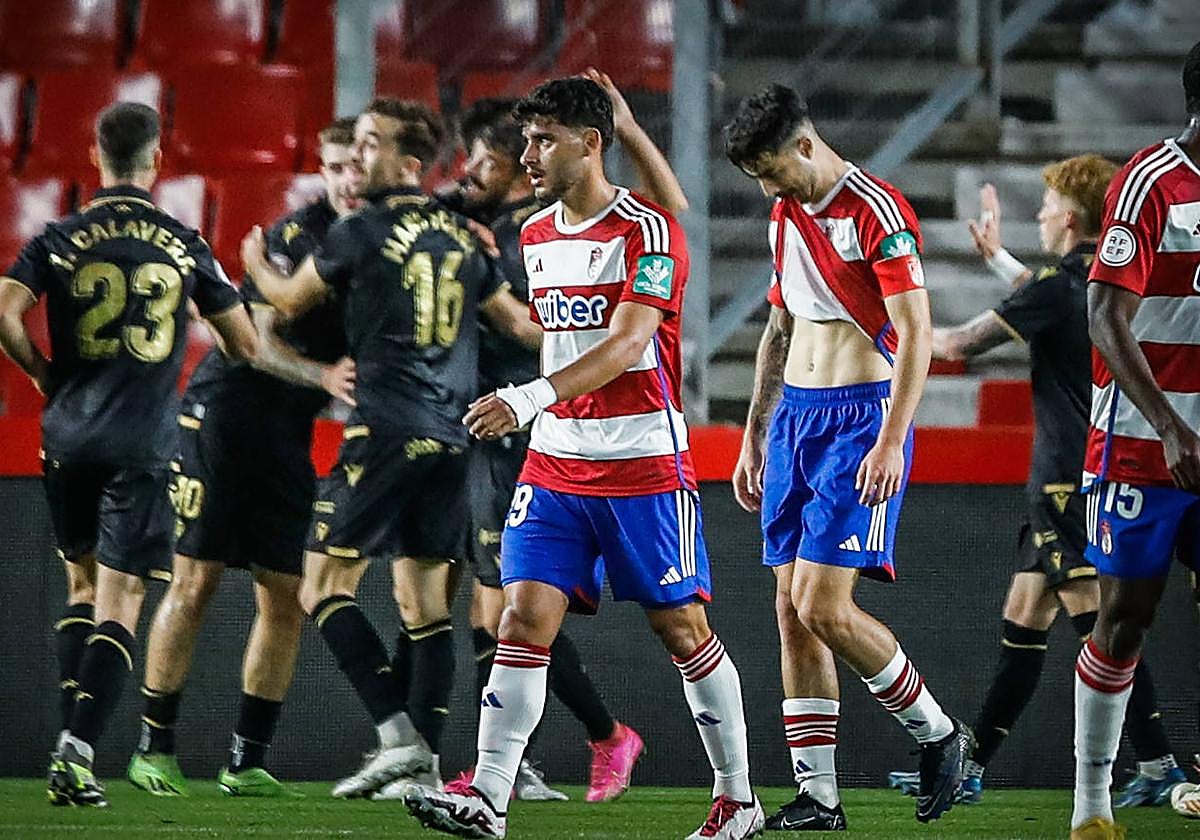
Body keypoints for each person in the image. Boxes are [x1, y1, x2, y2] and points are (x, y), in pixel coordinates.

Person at [403, 76, 763, 840]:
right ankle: (489, 797)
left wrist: (528, 397)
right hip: (557, 463)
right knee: (520, 617)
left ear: (589, 143)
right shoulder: (533, 234)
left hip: (643, 465)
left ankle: (738, 796)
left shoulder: (647, 231)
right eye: (525, 140)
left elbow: (629, 343)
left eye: (542, 140)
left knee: (682, 630)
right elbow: (559, 336)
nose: (526, 154)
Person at [240, 98, 538, 799]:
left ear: (407, 163)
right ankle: (424, 766)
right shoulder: (463, 235)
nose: (358, 154)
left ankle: (398, 740)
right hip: (453, 435)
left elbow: (285, 301)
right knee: (422, 600)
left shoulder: (362, 229)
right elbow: (522, 327)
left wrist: (255, 261)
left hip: (385, 430)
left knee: (320, 586)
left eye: (371, 143)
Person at [886, 157, 1184, 808]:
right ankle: (971, 770)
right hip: (1071, 476)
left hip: (1067, 483)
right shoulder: (1086, 281)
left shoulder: (1056, 284)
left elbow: (961, 343)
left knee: (1105, 629)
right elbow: (1041, 294)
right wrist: (996, 261)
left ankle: (1160, 763)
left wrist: (885, 332)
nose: (1041, 216)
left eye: (1047, 206)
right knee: (1024, 621)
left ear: (1070, 219)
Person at [724, 83, 970, 831]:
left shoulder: (878, 210)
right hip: (795, 420)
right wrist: (754, 430)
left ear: (806, 144)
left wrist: (894, 437)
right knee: (788, 610)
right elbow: (780, 326)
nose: (768, 187)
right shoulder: (785, 214)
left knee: (823, 604)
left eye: (772, 170)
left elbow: (916, 332)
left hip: (860, 421)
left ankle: (941, 733)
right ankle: (819, 797)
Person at [0, 102, 258, 807]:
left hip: (67, 436)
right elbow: (244, 345)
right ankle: (77, 755)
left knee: (81, 591)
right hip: (142, 442)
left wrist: (42, 375)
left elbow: (1, 308)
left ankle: (68, 739)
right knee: (124, 600)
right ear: (156, 160)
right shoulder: (181, 242)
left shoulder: (59, 234)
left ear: (95, 157)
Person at [438, 68, 683, 805]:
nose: (477, 170)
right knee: (508, 609)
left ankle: (558, 752)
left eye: (498, 153)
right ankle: (505, 772)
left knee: (513, 609)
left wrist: (490, 295)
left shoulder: (550, 230)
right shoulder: (521, 228)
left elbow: (669, 220)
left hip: (556, 422)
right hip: (520, 424)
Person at [125, 119, 362, 799]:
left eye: (357, 166)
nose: (348, 178)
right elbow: (249, 337)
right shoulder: (297, 237)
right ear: (322, 168)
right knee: (194, 582)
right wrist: (321, 377)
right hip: (223, 418)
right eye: (336, 165)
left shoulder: (374, 238)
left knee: (284, 594)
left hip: (286, 434)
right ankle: (153, 748)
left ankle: (245, 759)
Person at [1069, 40, 1200, 840]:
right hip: (1143, 448)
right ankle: (1091, 807)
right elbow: (1104, 316)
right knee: (1125, 617)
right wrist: (1172, 426)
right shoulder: (1151, 181)